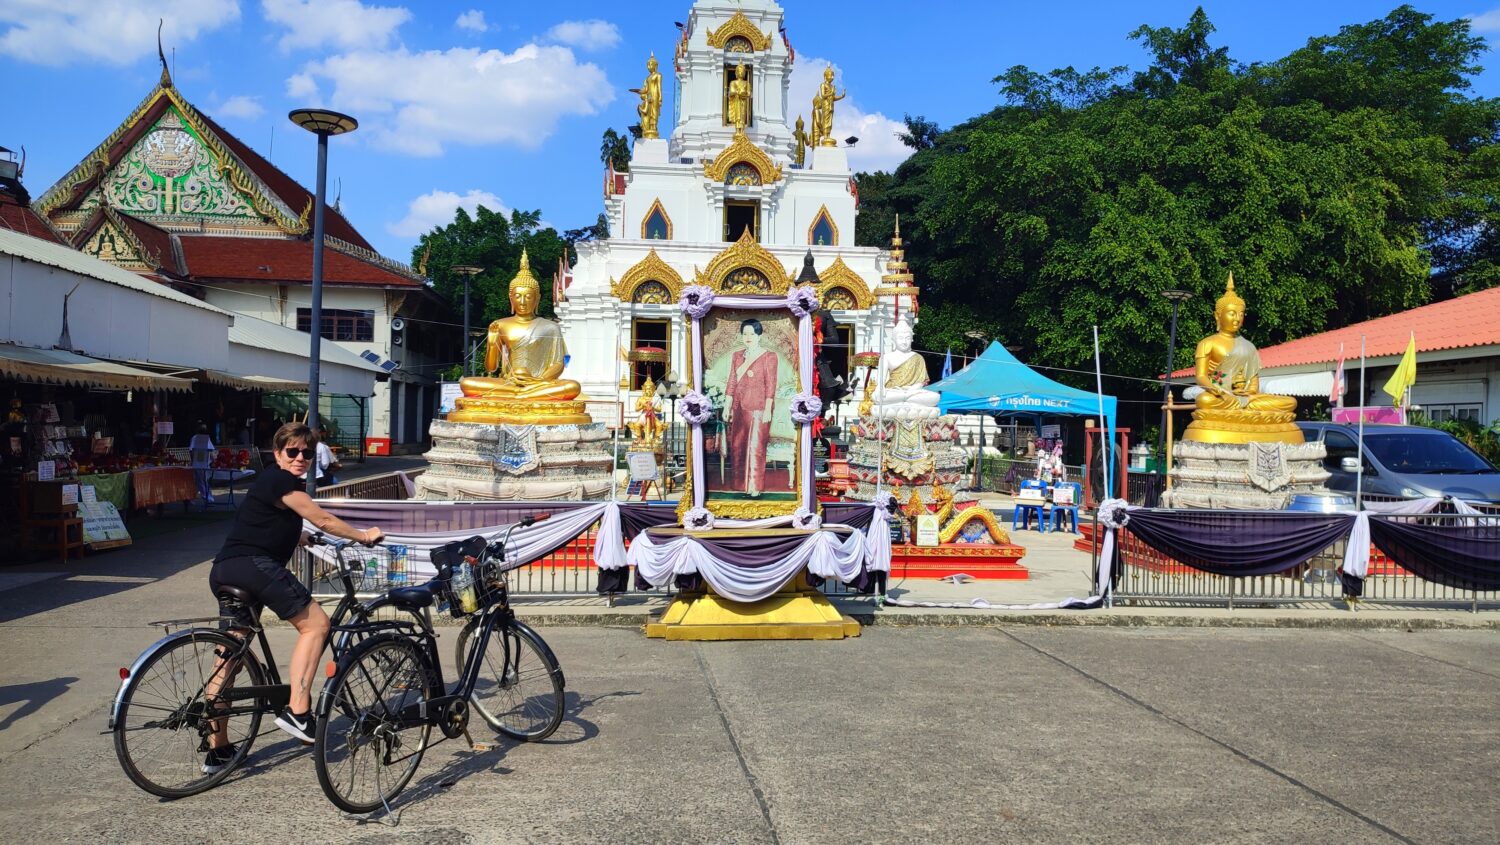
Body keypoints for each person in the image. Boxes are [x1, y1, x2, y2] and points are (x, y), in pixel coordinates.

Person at [203, 422, 383, 772]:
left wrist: (303, 539)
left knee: (230, 656)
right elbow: (323, 518)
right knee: (316, 625)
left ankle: (218, 749)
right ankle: (299, 711)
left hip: (226, 569)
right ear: (278, 454)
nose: (301, 458)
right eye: (293, 452)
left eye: (307, 453)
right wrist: (363, 536)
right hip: (256, 568)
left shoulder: (269, 484)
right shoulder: (282, 480)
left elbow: (271, 523)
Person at [722, 318, 779, 496]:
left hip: (759, 408)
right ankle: (740, 485)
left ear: (759, 336)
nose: (748, 337)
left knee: (756, 447)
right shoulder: (737, 356)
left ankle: (754, 486)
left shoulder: (769, 356)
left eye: (752, 334)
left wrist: (768, 408)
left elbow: (771, 384)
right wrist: (726, 407)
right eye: (745, 333)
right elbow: (732, 382)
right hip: (739, 408)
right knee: (738, 445)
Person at [189, 422, 216, 504]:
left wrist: (192, 461)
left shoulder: (195, 438)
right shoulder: (205, 438)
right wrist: (213, 460)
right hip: (203, 464)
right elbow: (211, 451)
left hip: (198, 464)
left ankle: (207, 498)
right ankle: (207, 498)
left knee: (200, 481)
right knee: (202, 481)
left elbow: (191, 451)